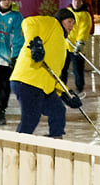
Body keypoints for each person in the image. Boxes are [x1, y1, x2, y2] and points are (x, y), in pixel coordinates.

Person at [11, 8, 82, 138]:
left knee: (58, 111)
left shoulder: (62, 45)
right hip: (28, 81)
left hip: (43, 87)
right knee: (31, 118)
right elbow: (29, 22)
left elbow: (55, 75)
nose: (72, 26)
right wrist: (35, 43)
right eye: (69, 21)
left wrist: (66, 93)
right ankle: (17, 148)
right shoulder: (53, 24)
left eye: (73, 23)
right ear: (61, 20)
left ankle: (55, 142)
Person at [61, 0, 93, 94]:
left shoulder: (85, 15)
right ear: (71, 1)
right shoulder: (67, 12)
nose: (76, 3)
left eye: (79, 1)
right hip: (65, 46)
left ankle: (79, 89)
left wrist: (80, 42)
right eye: (75, 1)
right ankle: (61, 88)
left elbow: (84, 29)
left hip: (77, 47)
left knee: (78, 70)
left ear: (82, 3)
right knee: (62, 69)